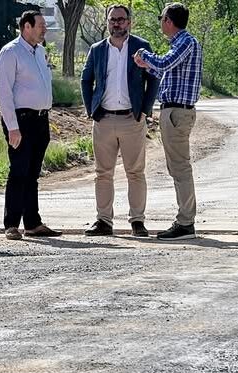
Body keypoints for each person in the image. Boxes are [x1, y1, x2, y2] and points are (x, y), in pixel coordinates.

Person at [81, 5, 159, 237]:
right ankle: (104, 221)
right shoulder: (97, 50)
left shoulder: (141, 47)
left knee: (135, 172)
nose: (117, 23)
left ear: (129, 22)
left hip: (132, 118)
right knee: (103, 173)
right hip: (103, 119)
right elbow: (86, 80)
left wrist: (145, 110)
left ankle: (137, 221)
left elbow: (153, 79)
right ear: (107, 22)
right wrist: (91, 110)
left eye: (121, 19)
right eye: (113, 19)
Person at [133, 2, 203, 240]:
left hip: (177, 112)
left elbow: (163, 63)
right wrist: (148, 66)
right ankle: (184, 220)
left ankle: (185, 222)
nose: (161, 22)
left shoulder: (185, 42)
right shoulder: (181, 44)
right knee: (177, 166)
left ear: (168, 21)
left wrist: (144, 55)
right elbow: (164, 72)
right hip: (173, 111)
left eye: (162, 18)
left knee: (180, 167)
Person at [0, 10, 62, 240]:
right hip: (21, 120)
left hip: (41, 120)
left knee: (32, 174)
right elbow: (3, 93)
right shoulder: (10, 52)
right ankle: (11, 224)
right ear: (26, 26)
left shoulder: (40, 52)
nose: (45, 29)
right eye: (41, 25)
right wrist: (12, 127)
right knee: (19, 172)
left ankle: (32, 223)